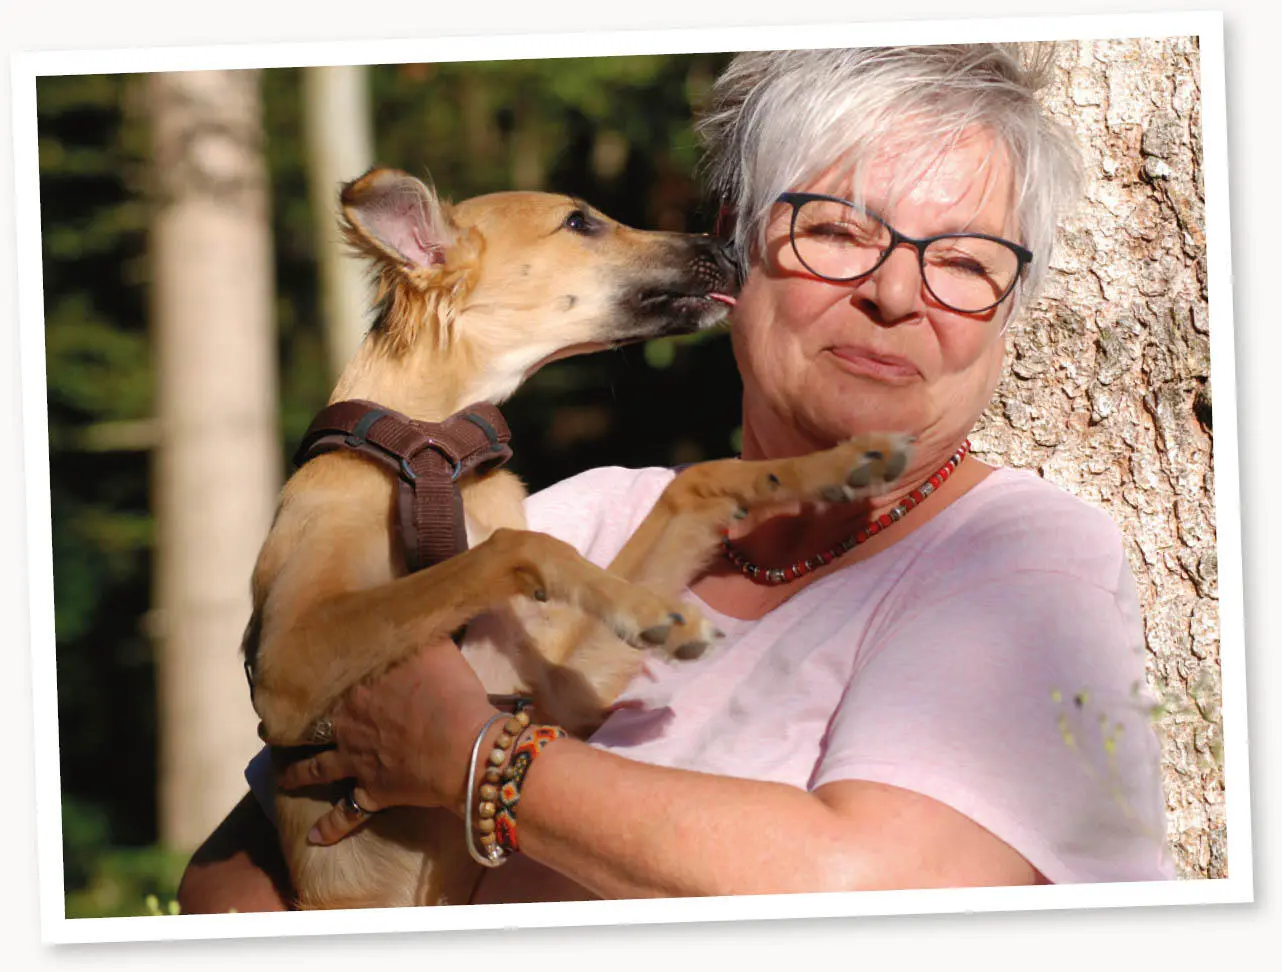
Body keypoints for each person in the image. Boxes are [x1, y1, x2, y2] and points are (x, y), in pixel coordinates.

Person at [178, 44, 1173, 912]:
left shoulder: (1020, 566)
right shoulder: (586, 518)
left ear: (1010, 308)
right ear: (736, 252)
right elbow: (241, 861)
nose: (895, 293)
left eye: (963, 259)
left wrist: (482, 764)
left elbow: (876, 889)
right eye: (834, 232)